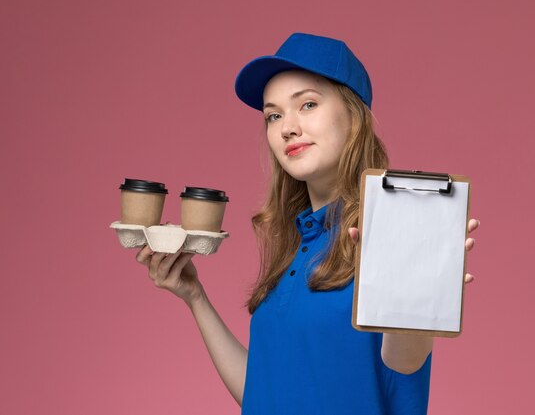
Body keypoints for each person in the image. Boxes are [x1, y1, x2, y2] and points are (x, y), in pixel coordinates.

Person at [135, 32, 480, 414]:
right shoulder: (299, 242)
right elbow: (263, 393)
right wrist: (195, 297)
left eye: (308, 104)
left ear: (354, 116)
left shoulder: (393, 228)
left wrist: (416, 294)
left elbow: (404, 362)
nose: (287, 128)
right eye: (274, 115)